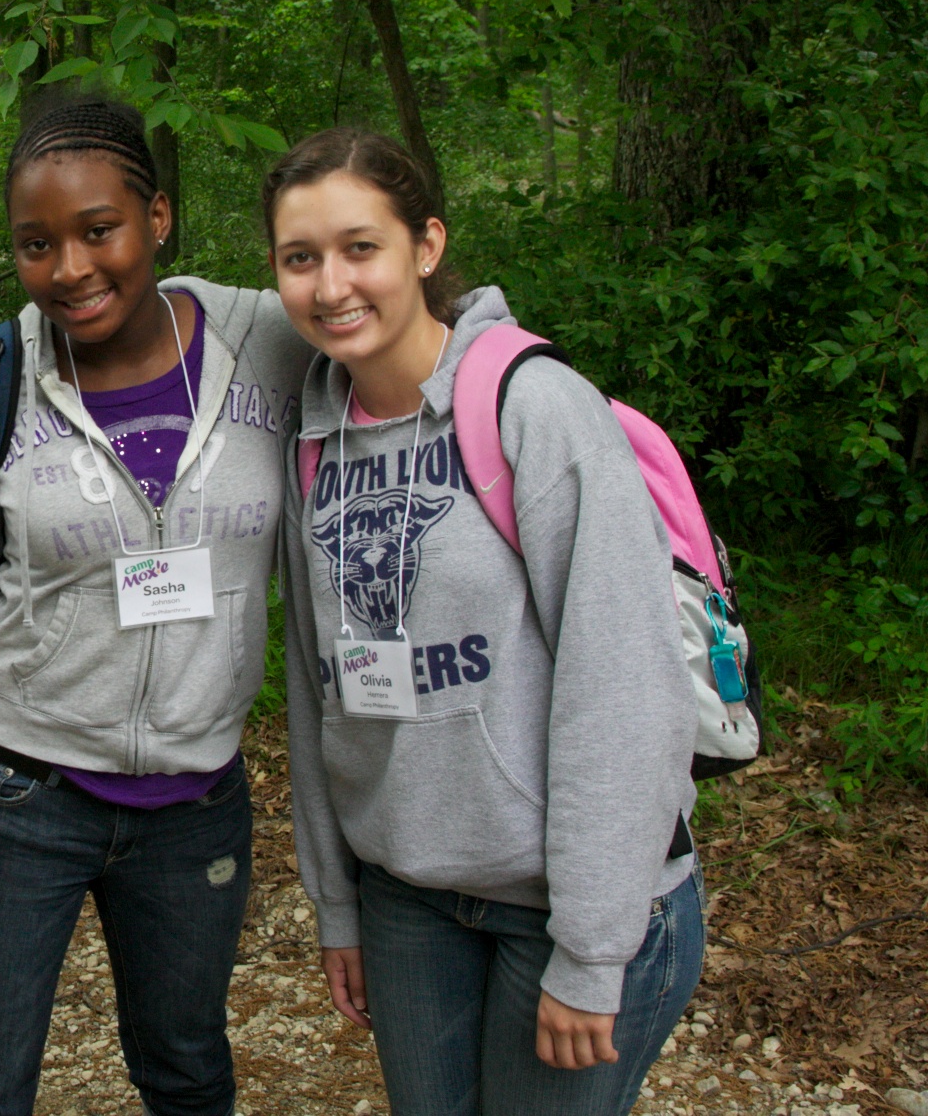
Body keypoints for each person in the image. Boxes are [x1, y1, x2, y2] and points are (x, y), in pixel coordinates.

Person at [266, 128, 703, 1116]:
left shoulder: (534, 408)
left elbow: (623, 688)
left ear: (425, 246)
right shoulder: (312, 438)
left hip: (563, 907)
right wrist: (337, 902)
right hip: (408, 900)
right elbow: (312, 686)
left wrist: (590, 950)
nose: (331, 284)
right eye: (300, 258)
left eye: (359, 247)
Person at [0, 96, 314, 1116]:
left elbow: (408, 334)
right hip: (13, 792)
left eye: (99, 230)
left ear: (157, 217)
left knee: (186, 1070)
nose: (71, 269)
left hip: (194, 802)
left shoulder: (267, 338)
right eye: (36, 245)